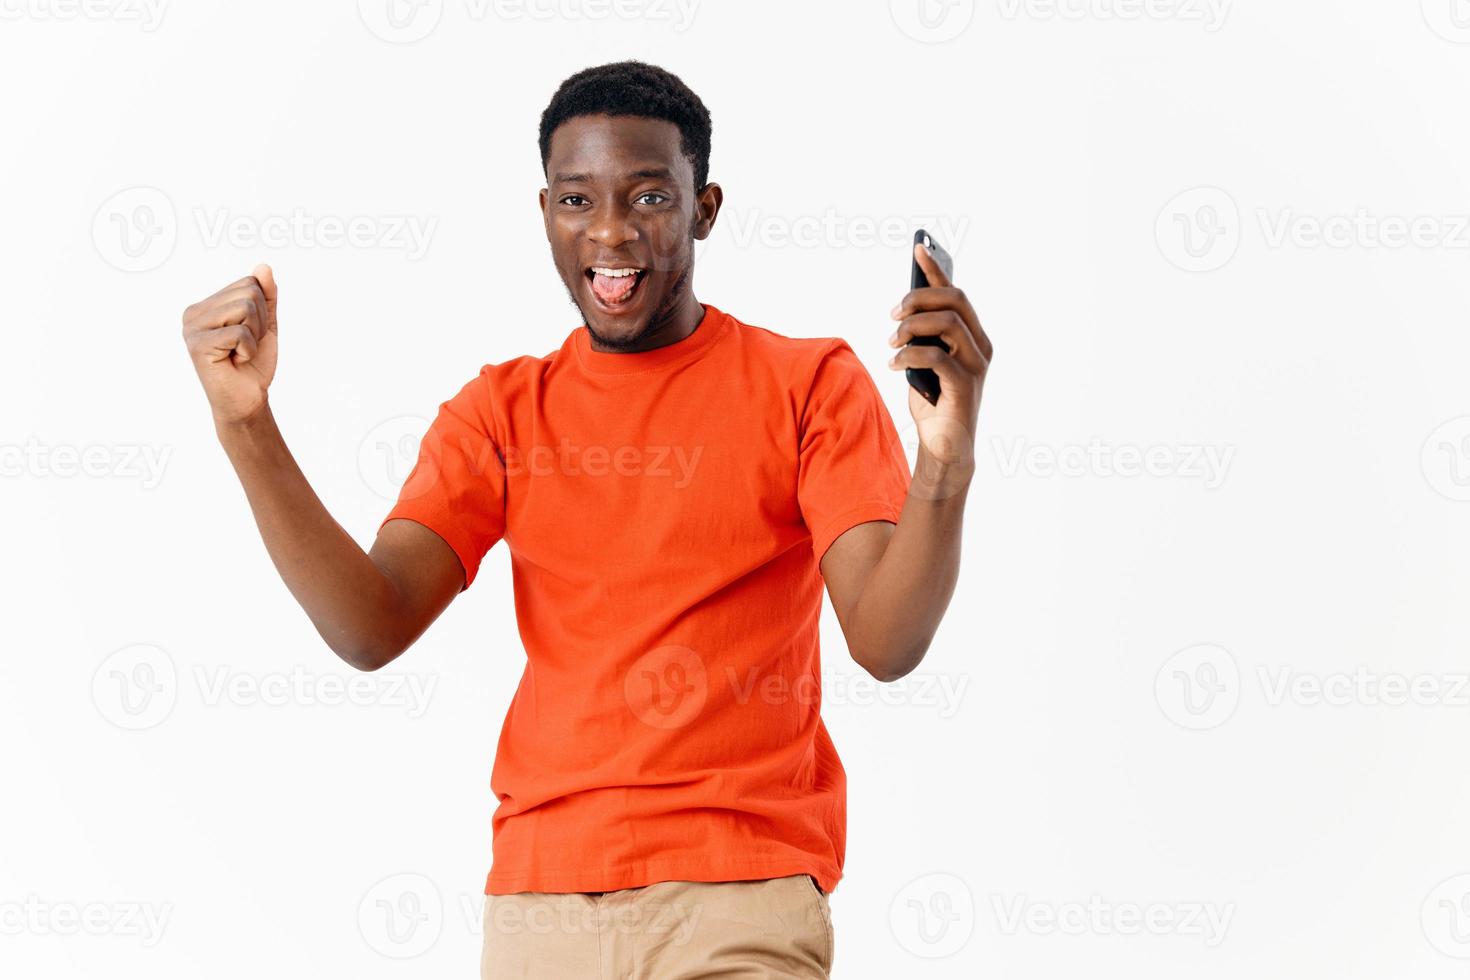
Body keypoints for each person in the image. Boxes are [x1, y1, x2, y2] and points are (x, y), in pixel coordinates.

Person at [180, 60, 992, 979]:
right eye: (576, 201)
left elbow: (887, 642)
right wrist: (245, 422)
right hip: (541, 905)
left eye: (649, 195)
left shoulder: (807, 384)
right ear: (545, 212)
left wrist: (945, 459)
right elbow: (370, 625)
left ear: (706, 207)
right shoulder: (501, 410)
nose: (610, 231)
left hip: (739, 895)